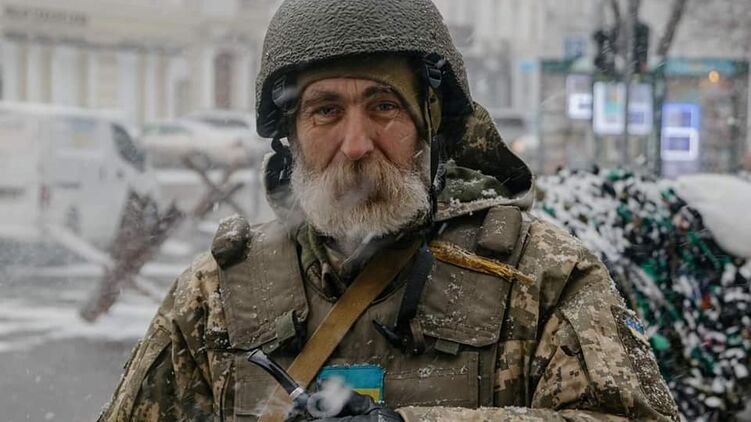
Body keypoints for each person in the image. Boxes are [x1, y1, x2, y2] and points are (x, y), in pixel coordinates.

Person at [99, 0, 680, 421]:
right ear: (291, 135)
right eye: (326, 111)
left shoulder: (542, 276)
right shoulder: (215, 297)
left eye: (383, 106)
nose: (356, 144)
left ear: (429, 122)